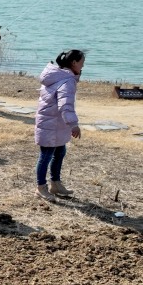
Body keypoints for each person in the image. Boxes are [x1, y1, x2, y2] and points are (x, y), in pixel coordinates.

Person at [34, 50, 84, 202]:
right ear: (74, 63)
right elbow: (65, 105)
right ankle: (41, 188)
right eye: (82, 62)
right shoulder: (66, 80)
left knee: (60, 152)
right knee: (46, 156)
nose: (83, 66)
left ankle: (55, 184)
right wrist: (74, 124)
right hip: (51, 124)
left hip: (54, 123)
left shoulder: (59, 75)